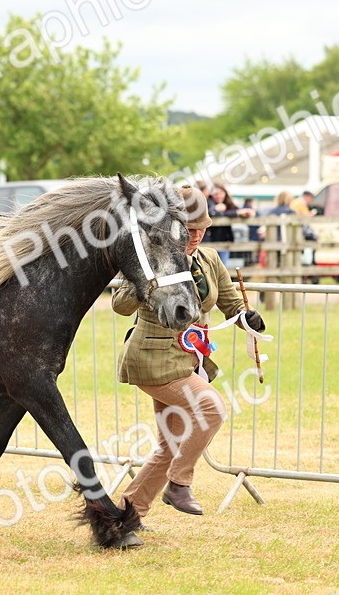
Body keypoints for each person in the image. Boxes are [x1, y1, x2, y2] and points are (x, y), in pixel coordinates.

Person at [112, 186, 266, 522]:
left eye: (201, 229)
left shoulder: (210, 259)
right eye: (188, 230)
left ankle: (127, 515)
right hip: (151, 359)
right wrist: (147, 283)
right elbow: (120, 305)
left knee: (171, 443)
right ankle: (179, 484)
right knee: (211, 408)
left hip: (187, 360)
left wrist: (247, 317)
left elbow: (231, 303)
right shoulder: (155, 255)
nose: (195, 236)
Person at [203, 183, 237, 264]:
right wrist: (215, 209)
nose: (218, 196)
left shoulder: (228, 203)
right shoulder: (208, 203)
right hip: (210, 241)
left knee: (223, 266)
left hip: (225, 240)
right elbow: (210, 213)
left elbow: (236, 210)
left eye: (221, 193)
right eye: (215, 194)